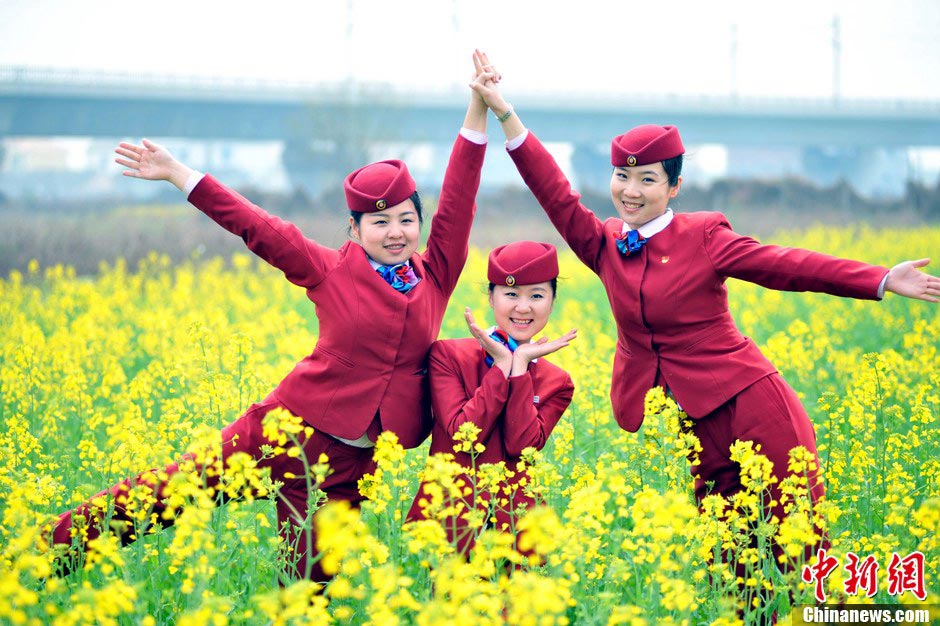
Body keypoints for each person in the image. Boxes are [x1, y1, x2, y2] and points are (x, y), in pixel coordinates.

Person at [467, 51, 940, 593]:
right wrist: (505, 114)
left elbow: (785, 265)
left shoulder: (704, 236)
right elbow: (554, 192)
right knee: (729, 558)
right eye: (622, 177)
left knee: (800, 543)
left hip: (751, 403)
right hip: (695, 423)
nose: (630, 191)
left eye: (647, 180)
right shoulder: (603, 245)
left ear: (674, 186)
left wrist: (880, 278)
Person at [48, 55, 499, 583]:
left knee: (307, 588)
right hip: (283, 434)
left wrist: (478, 107)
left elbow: (461, 200)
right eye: (379, 222)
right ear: (354, 230)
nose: (396, 231)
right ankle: (44, 552)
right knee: (164, 496)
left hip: (348, 468)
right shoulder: (330, 270)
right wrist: (178, 174)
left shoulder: (437, 274)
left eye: (406, 219)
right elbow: (257, 226)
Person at [407, 240, 576, 557]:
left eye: (537, 296)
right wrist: (501, 366)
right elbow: (463, 436)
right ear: (490, 297)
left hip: (517, 532)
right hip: (449, 524)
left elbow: (520, 445)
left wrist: (520, 368)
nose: (523, 308)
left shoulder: (558, 382)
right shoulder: (449, 355)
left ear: (552, 302)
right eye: (511, 295)